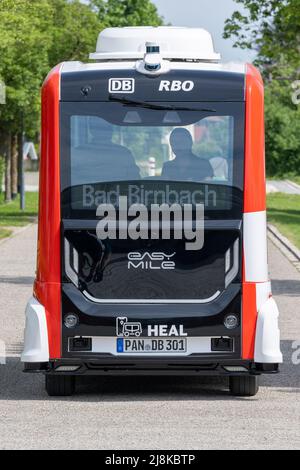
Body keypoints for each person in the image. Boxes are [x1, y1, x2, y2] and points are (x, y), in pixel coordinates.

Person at [72, 117, 141, 184]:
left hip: (84, 194)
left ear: (91, 130)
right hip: (119, 195)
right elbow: (135, 181)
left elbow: (71, 181)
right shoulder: (124, 153)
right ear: (111, 130)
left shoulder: (78, 153)